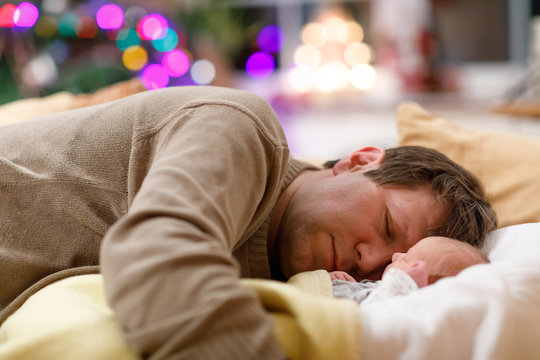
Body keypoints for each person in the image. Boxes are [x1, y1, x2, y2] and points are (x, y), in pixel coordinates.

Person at [0, 85, 497, 359]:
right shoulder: (241, 127)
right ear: (359, 160)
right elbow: (155, 260)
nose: (368, 259)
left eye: (386, 266)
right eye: (386, 224)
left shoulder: (300, 284)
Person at [330, 236, 488, 306]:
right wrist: (336, 282)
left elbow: (371, 313)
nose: (395, 255)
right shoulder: (375, 288)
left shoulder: (392, 301)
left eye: (405, 260)